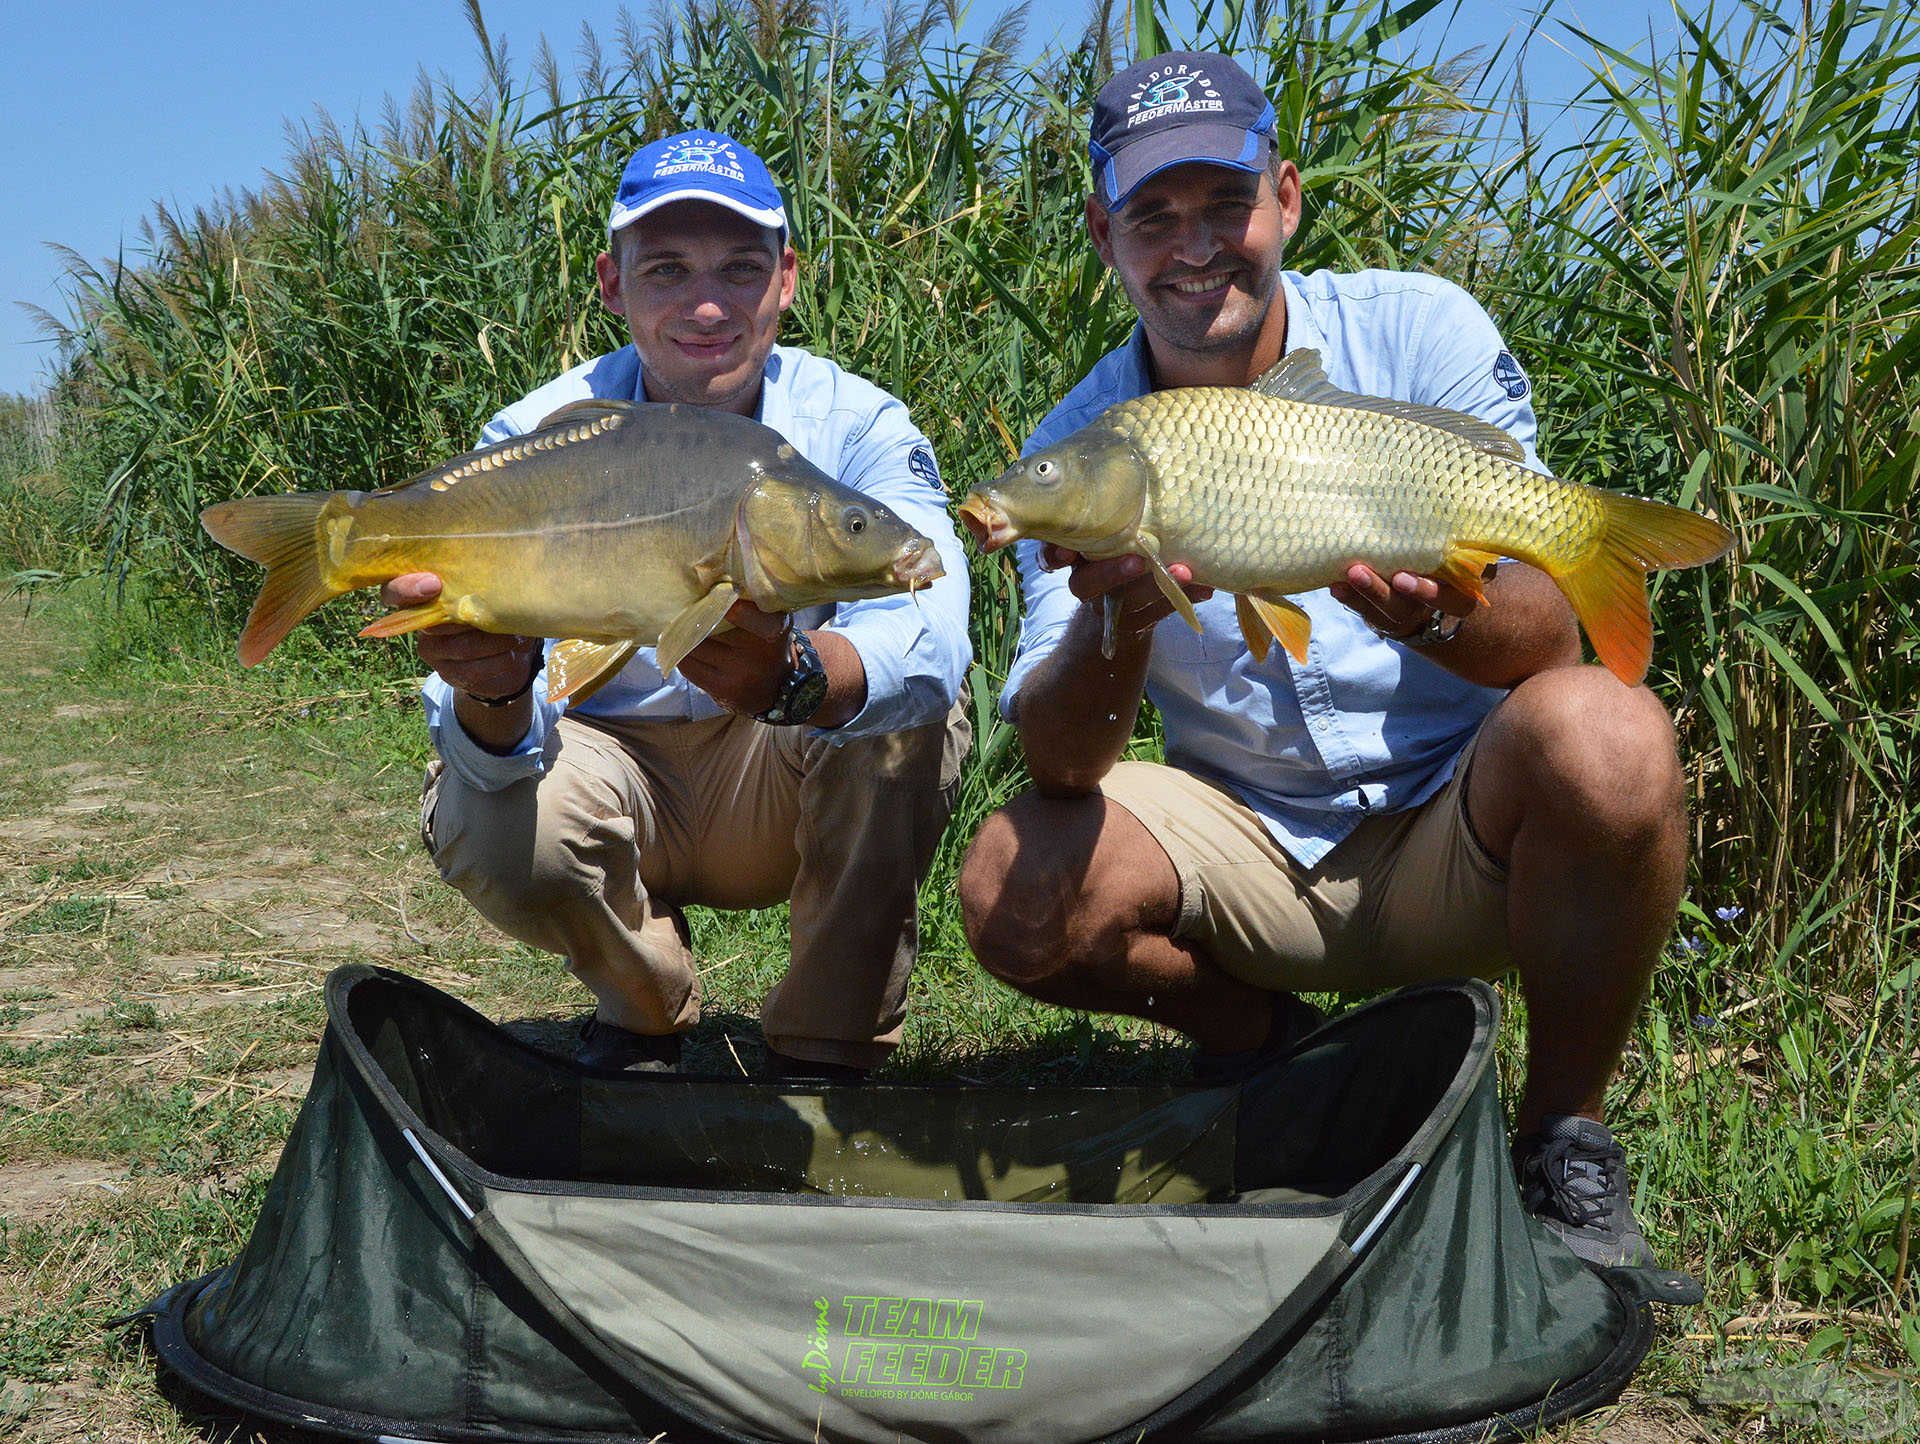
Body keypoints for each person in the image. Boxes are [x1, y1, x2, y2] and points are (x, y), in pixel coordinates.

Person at [957, 53, 1685, 1266]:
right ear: (1105, 235)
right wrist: (1123, 621)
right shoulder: (1081, 449)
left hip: (1459, 827)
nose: (1195, 247)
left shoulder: (1419, 328)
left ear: (1285, 199)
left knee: (1612, 735)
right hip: (1252, 850)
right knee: (1008, 879)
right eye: (1153, 216)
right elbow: (1058, 755)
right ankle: (1271, 1047)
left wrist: (1432, 616)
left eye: (1225, 207)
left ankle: (1565, 1136)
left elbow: (1554, 639)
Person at [386, 130, 971, 1081]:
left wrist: (796, 681)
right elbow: (483, 727)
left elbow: (933, 619)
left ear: (786, 279)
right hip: (608, 772)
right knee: (491, 808)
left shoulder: (856, 423)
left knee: (910, 714)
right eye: (666, 270)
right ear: (613, 286)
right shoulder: (532, 438)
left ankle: (830, 1044)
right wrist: (493, 690)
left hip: (779, 767)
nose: (707, 306)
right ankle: (645, 1003)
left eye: (740, 269)